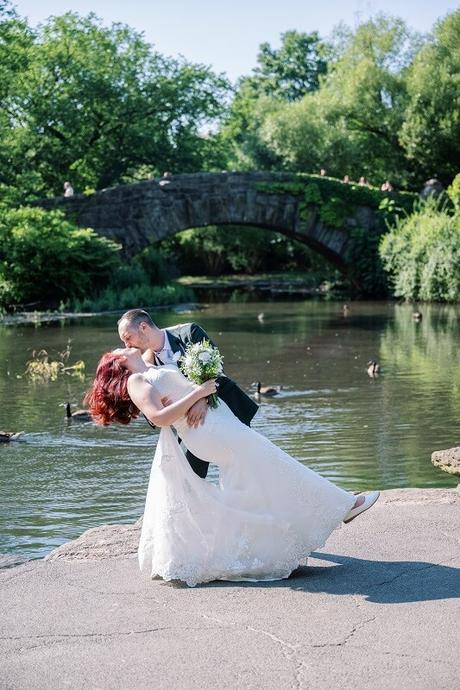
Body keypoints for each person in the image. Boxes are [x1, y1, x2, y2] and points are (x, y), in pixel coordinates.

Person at [86, 347, 380, 587]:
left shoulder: (150, 369)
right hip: (210, 433)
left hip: (219, 425)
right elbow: (160, 417)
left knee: (254, 483)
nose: (124, 345)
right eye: (119, 348)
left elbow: (189, 384)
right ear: (117, 363)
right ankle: (345, 505)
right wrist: (198, 394)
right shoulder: (135, 381)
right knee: (274, 462)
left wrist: (200, 392)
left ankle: (264, 550)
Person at [117, 309, 258, 479]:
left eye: (127, 338)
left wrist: (203, 400)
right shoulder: (146, 365)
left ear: (143, 327)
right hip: (191, 426)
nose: (127, 345)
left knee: (246, 470)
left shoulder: (189, 333)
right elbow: (152, 409)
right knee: (189, 480)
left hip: (226, 411)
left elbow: (217, 370)